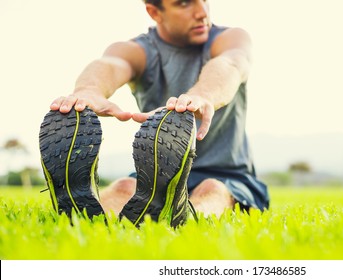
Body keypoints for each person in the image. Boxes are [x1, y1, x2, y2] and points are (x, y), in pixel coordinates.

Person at [39, 0, 269, 227]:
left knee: (213, 189)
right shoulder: (138, 50)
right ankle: (89, 218)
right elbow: (110, 64)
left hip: (227, 175)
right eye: (184, 3)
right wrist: (88, 90)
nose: (201, 12)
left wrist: (203, 96)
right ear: (154, 12)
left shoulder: (230, 38)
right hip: (157, 177)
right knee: (124, 187)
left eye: (204, 0)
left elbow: (231, 64)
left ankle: (185, 218)